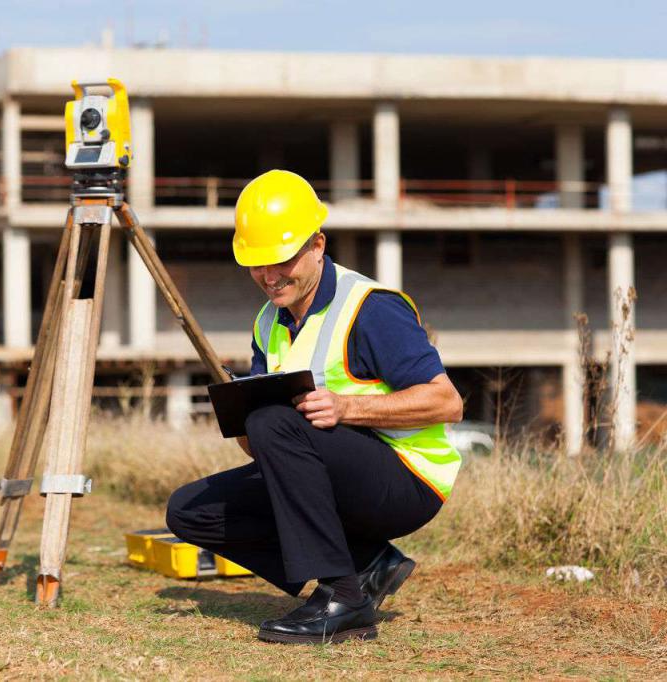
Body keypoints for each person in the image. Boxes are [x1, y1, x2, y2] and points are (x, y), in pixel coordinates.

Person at [165, 169, 463, 645]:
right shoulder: (268, 321)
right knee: (189, 511)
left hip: (409, 481)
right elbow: (273, 442)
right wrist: (242, 418)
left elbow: (447, 402)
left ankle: (343, 597)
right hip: (340, 477)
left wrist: (345, 408)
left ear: (318, 246)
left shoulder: (370, 307)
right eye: (257, 264)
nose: (269, 277)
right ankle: (368, 560)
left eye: (281, 261)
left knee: (273, 419)